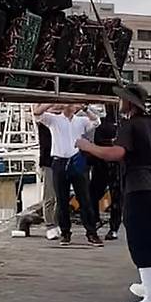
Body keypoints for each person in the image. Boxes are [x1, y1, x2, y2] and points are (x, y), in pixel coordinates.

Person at [77, 84, 151, 302]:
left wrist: (88, 146)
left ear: (129, 102)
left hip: (139, 187)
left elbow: (117, 153)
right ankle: (150, 286)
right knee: (149, 237)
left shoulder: (131, 124)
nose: (119, 102)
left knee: (139, 240)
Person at [33, 103, 103, 247]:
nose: (70, 106)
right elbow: (37, 113)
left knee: (84, 199)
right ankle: (65, 233)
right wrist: (53, 102)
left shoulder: (81, 121)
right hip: (59, 161)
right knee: (62, 200)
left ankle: (91, 233)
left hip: (76, 160)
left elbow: (96, 121)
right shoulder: (54, 119)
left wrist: (85, 108)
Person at [88, 105, 122, 241]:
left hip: (114, 161)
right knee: (93, 193)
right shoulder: (95, 119)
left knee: (116, 196)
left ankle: (114, 227)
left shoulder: (119, 120)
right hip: (99, 160)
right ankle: (97, 220)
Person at [38, 120, 60, 240]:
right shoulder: (44, 124)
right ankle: (50, 225)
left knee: (60, 197)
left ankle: (56, 223)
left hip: (61, 161)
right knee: (49, 196)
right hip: (49, 163)